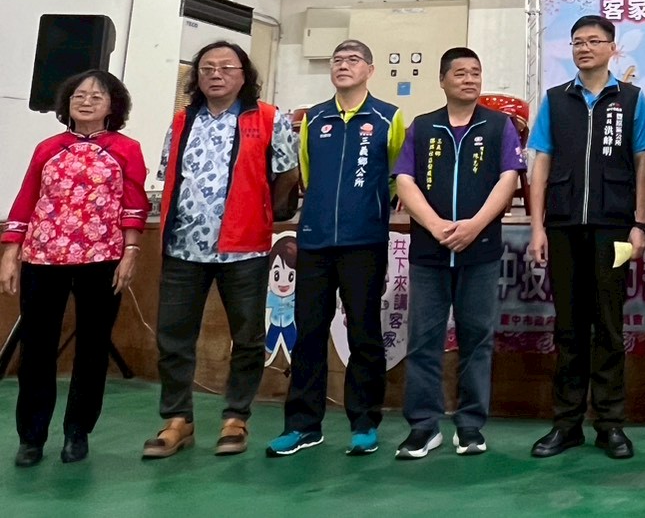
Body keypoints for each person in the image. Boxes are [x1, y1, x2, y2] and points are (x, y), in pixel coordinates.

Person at [144, 42, 299, 459]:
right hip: (183, 246)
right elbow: (169, 173)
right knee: (173, 337)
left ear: (244, 75)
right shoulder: (182, 120)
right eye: (207, 67)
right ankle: (177, 419)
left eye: (227, 67)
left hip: (244, 248)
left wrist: (262, 212)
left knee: (247, 337)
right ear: (196, 77)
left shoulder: (268, 117)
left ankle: (236, 417)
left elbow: (287, 175)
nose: (216, 74)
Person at [267, 40, 406, 458]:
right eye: (337, 60)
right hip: (314, 241)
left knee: (364, 332)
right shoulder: (314, 118)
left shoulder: (389, 118)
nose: (343, 66)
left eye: (353, 60)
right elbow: (307, 175)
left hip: (364, 242)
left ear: (370, 70)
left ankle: (364, 423)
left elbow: (397, 177)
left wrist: (370, 210)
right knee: (308, 332)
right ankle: (302, 425)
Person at [2, 71, 147, 467]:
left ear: (113, 105)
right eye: (79, 95)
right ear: (66, 103)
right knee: (37, 348)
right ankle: (31, 437)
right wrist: (11, 251)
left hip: (102, 257)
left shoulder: (126, 149)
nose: (86, 101)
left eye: (97, 96)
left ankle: (77, 431)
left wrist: (131, 251)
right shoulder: (48, 148)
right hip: (43, 256)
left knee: (93, 348)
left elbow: (134, 203)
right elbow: (27, 197)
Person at [526, 15, 645, 460]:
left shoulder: (632, 99)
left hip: (614, 228)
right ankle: (566, 424)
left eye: (594, 41)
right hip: (563, 227)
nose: (584, 48)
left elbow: (643, 163)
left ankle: (610, 424)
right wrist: (537, 227)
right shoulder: (555, 100)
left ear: (612, 48)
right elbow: (541, 162)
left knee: (609, 327)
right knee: (568, 327)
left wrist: (640, 224)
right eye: (577, 42)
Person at [391, 47, 524, 459]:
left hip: (479, 250)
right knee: (423, 341)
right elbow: (404, 180)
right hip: (429, 253)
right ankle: (423, 427)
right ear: (443, 80)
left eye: (475, 73)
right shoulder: (422, 126)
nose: (469, 79)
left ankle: (470, 426)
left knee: (477, 339)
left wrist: (474, 226)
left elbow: (509, 178)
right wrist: (435, 226)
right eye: (460, 73)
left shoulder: (499, 125)